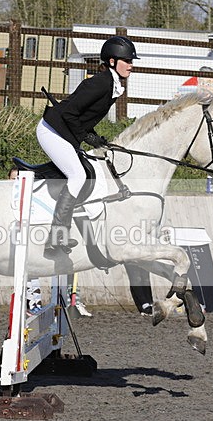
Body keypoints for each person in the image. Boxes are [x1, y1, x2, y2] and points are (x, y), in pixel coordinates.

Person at [37, 35, 138, 258]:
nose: (131, 65)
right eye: (128, 61)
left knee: (85, 172)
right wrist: (86, 136)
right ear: (112, 62)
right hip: (51, 131)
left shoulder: (111, 84)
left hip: (64, 132)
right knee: (78, 176)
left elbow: (82, 117)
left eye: (132, 61)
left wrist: (94, 137)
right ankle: (56, 236)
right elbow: (69, 112)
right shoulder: (100, 83)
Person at [8, 166, 43, 314]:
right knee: (24, 274)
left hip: (28, 235)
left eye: (18, 178)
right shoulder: (7, 195)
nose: (15, 182)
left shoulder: (29, 195)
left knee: (32, 273)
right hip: (11, 237)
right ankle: (29, 304)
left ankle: (36, 303)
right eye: (13, 179)